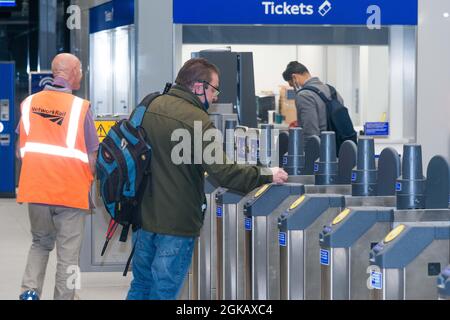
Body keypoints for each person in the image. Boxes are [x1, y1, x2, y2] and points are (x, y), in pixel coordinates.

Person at [126, 58, 288, 300]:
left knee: (140, 286)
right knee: (163, 291)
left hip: (141, 218)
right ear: (199, 87)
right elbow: (224, 172)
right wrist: (266, 174)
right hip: (175, 223)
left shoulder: (148, 105)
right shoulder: (197, 120)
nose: (215, 97)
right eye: (214, 89)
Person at [16, 53, 99, 300]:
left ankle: (29, 292)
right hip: (70, 193)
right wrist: (88, 179)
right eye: (81, 69)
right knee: (69, 256)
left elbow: (21, 150)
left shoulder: (29, 103)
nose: (82, 74)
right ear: (72, 72)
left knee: (40, 243)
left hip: (37, 190)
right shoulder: (80, 107)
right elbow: (92, 156)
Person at [282, 61, 345, 140]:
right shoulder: (332, 91)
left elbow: (310, 133)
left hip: (321, 148)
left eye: (292, 84)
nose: (294, 88)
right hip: (341, 146)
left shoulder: (304, 95)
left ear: (294, 78)